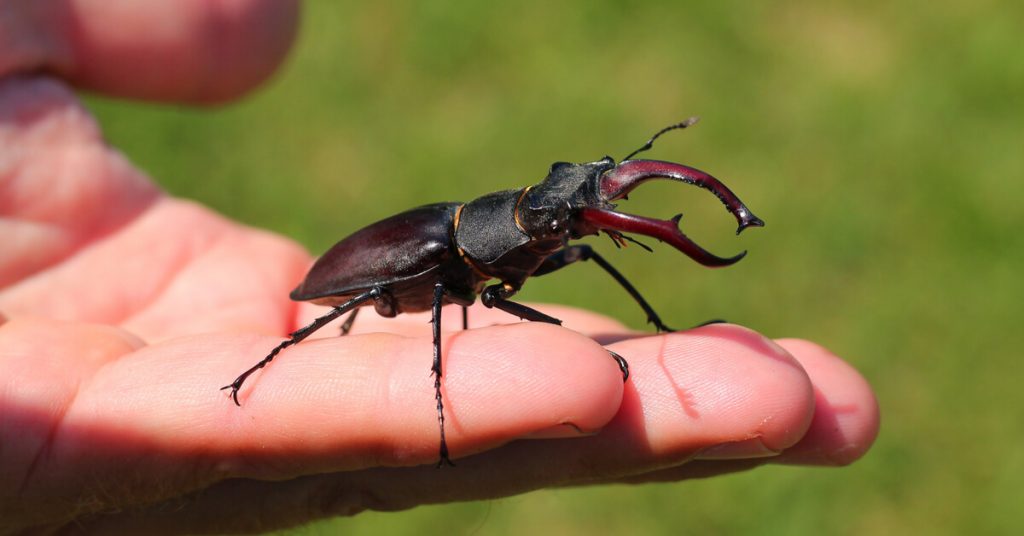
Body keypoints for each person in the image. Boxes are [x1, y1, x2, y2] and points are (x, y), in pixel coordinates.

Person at [0, 1, 879, 533]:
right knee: (387, 292)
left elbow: (537, 254)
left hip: (456, 256)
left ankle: (652, 329)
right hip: (375, 276)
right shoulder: (445, 253)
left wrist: (634, 299)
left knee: (558, 276)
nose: (566, 223)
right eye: (551, 212)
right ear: (507, 225)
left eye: (570, 211)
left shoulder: (505, 244)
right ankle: (278, 362)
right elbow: (414, 296)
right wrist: (312, 352)